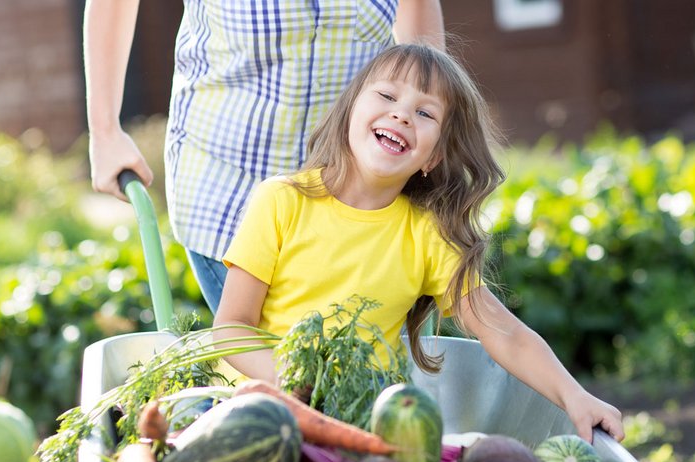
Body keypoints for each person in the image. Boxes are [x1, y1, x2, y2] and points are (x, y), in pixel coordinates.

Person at [212, 44, 624, 443]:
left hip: (362, 424)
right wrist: (296, 381)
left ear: (434, 157)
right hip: (261, 413)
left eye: (424, 112)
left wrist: (575, 396)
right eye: (388, 95)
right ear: (350, 111)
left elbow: (504, 333)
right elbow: (231, 328)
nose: (401, 114)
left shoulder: (426, 234)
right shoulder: (283, 200)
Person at [83, 0, 445, 313]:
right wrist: (105, 132)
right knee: (277, 376)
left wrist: (433, 121)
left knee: (351, 374)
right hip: (230, 190)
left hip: (355, 200)